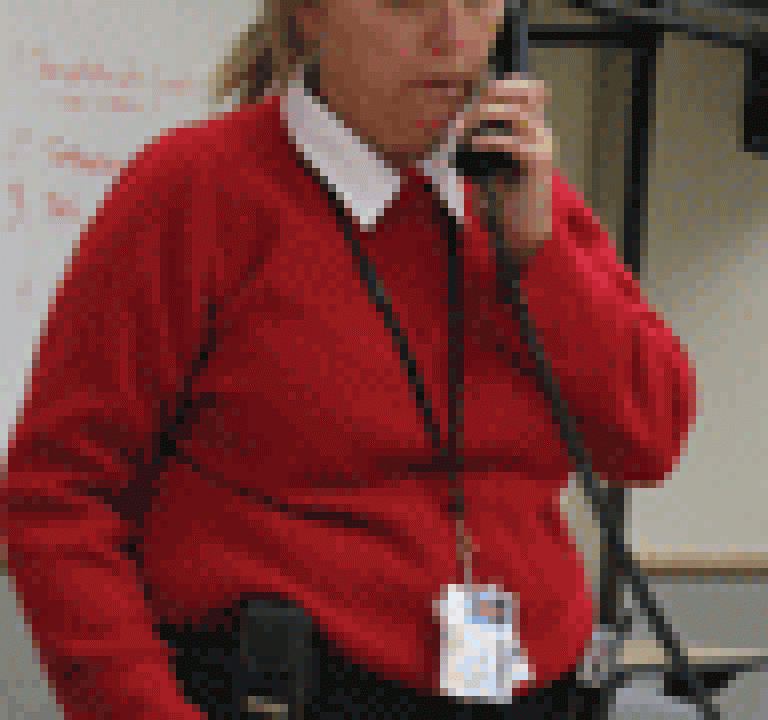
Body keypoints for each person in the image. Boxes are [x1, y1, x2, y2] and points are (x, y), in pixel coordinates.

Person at [1, 0, 696, 718]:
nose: (453, 37)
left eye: (479, 1)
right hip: (292, 689)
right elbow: (60, 494)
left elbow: (648, 441)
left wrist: (538, 256)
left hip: (529, 688)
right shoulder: (196, 189)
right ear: (309, 14)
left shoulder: (520, 198)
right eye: (407, 1)